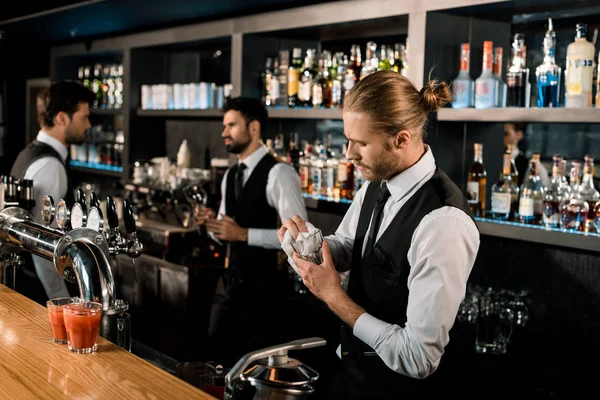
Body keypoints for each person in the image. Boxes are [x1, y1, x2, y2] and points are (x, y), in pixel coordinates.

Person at [278, 70, 480, 399]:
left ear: (401, 139)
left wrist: (334, 297)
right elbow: (350, 246)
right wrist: (307, 245)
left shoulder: (443, 222)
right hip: (349, 376)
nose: (348, 154)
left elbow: (419, 358)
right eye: (348, 139)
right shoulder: (379, 181)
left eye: (361, 143)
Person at [195, 96, 308, 366]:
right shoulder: (231, 175)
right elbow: (226, 232)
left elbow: (300, 238)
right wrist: (211, 223)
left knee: (254, 372)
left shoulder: (279, 173)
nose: (224, 132)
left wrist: (244, 234)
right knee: (217, 363)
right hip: (229, 286)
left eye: (231, 125)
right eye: (224, 126)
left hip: (265, 294)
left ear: (254, 128)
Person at [10, 80, 93, 300]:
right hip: (36, 290)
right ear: (61, 118)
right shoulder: (51, 166)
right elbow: (42, 244)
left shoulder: (29, 153)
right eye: (84, 117)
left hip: (23, 282)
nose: (89, 125)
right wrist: (62, 300)